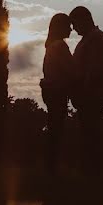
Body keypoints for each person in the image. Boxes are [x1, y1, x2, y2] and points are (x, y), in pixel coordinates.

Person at [69, 6, 103, 172]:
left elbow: (95, 69)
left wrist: (83, 92)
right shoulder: (90, 38)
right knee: (87, 135)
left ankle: (91, 174)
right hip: (88, 95)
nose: (73, 28)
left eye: (74, 23)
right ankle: (89, 172)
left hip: (92, 95)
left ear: (83, 20)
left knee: (90, 136)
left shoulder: (96, 38)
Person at [40, 13, 75, 173]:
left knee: (54, 129)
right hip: (57, 92)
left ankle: (50, 167)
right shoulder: (60, 46)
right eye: (68, 26)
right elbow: (71, 69)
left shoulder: (51, 46)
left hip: (51, 92)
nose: (71, 29)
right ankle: (52, 169)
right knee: (57, 131)